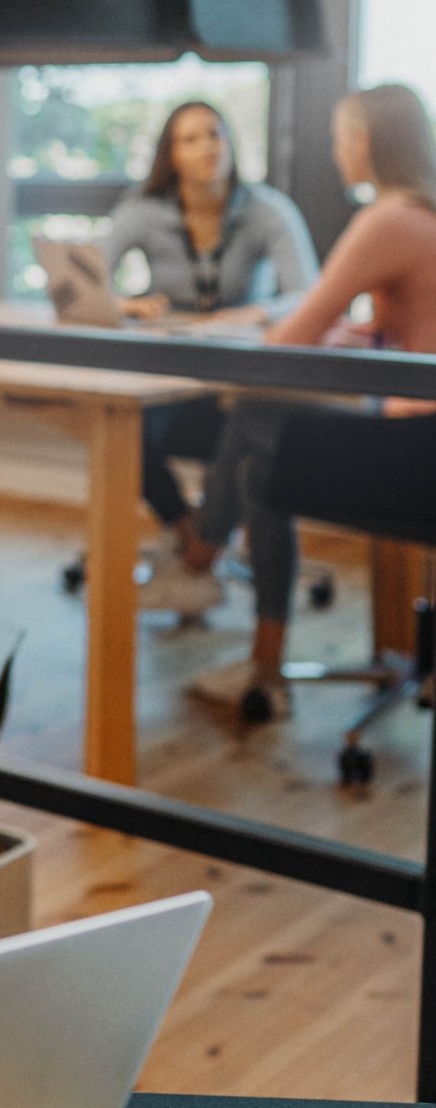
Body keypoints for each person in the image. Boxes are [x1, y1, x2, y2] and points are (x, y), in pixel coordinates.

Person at [166, 84, 436, 720]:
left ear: (364, 142)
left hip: (417, 456)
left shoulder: (388, 219)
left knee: (259, 415)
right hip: (421, 438)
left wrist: (259, 330)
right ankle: (260, 660)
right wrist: (367, 333)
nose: (337, 152)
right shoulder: (426, 215)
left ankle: (204, 552)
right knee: (266, 454)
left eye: (341, 137)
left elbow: (286, 344)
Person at [101, 101, 318, 616]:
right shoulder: (144, 211)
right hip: (169, 374)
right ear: (169, 155)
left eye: (214, 135)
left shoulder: (266, 210)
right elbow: (84, 281)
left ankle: (198, 556)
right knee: (123, 428)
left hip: (240, 377)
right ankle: (191, 534)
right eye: (190, 139)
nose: (206, 148)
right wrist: (122, 303)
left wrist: (256, 313)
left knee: (248, 432)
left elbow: (308, 294)